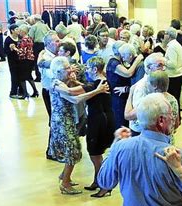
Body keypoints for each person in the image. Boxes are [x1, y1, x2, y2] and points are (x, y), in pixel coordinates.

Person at [48, 57, 109, 194]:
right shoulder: (56, 83)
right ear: (58, 71)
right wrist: (97, 91)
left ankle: (65, 176)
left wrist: (72, 79)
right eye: (67, 68)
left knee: (74, 147)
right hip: (62, 122)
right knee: (72, 150)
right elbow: (74, 98)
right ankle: (65, 183)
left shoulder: (65, 81)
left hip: (69, 120)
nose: (70, 70)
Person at [80, 57, 115, 197]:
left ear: (95, 69)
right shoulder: (104, 81)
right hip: (107, 119)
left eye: (88, 68)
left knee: (95, 154)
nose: (87, 71)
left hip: (98, 121)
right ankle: (97, 180)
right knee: (97, 153)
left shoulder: (97, 85)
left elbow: (74, 93)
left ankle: (104, 185)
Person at [106, 41, 144, 129]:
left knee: (124, 121)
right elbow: (128, 73)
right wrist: (137, 60)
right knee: (121, 122)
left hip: (124, 96)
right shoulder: (114, 63)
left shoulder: (120, 61)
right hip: (118, 96)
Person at [163, 27, 182, 120]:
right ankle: (176, 118)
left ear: (168, 36)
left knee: (173, 98)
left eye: (165, 33)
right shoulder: (176, 44)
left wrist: (163, 60)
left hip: (173, 75)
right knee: (176, 97)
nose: (164, 35)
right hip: (178, 74)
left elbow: (172, 64)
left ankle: (174, 118)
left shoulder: (172, 47)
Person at [15, 25, 39, 98]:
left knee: (22, 77)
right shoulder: (29, 38)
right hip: (31, 59)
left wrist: (15, 49)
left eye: (20, 30)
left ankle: (25, 93)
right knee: (29, 76)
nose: (18, 32)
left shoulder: (24, 40)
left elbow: (22, 52)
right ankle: (35, 91)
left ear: (23, 31)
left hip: (25, 59)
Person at [4, 24, 22, 98]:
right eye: (17, 29)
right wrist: (11, 49)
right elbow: (5, 51)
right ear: (12, 31)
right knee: (14, 76)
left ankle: (21, 91)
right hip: (12, 60)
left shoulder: (20, 38)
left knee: (21, 75)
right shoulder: (8, 39)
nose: (18, 30)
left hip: (20, 60)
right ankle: (13, 92)